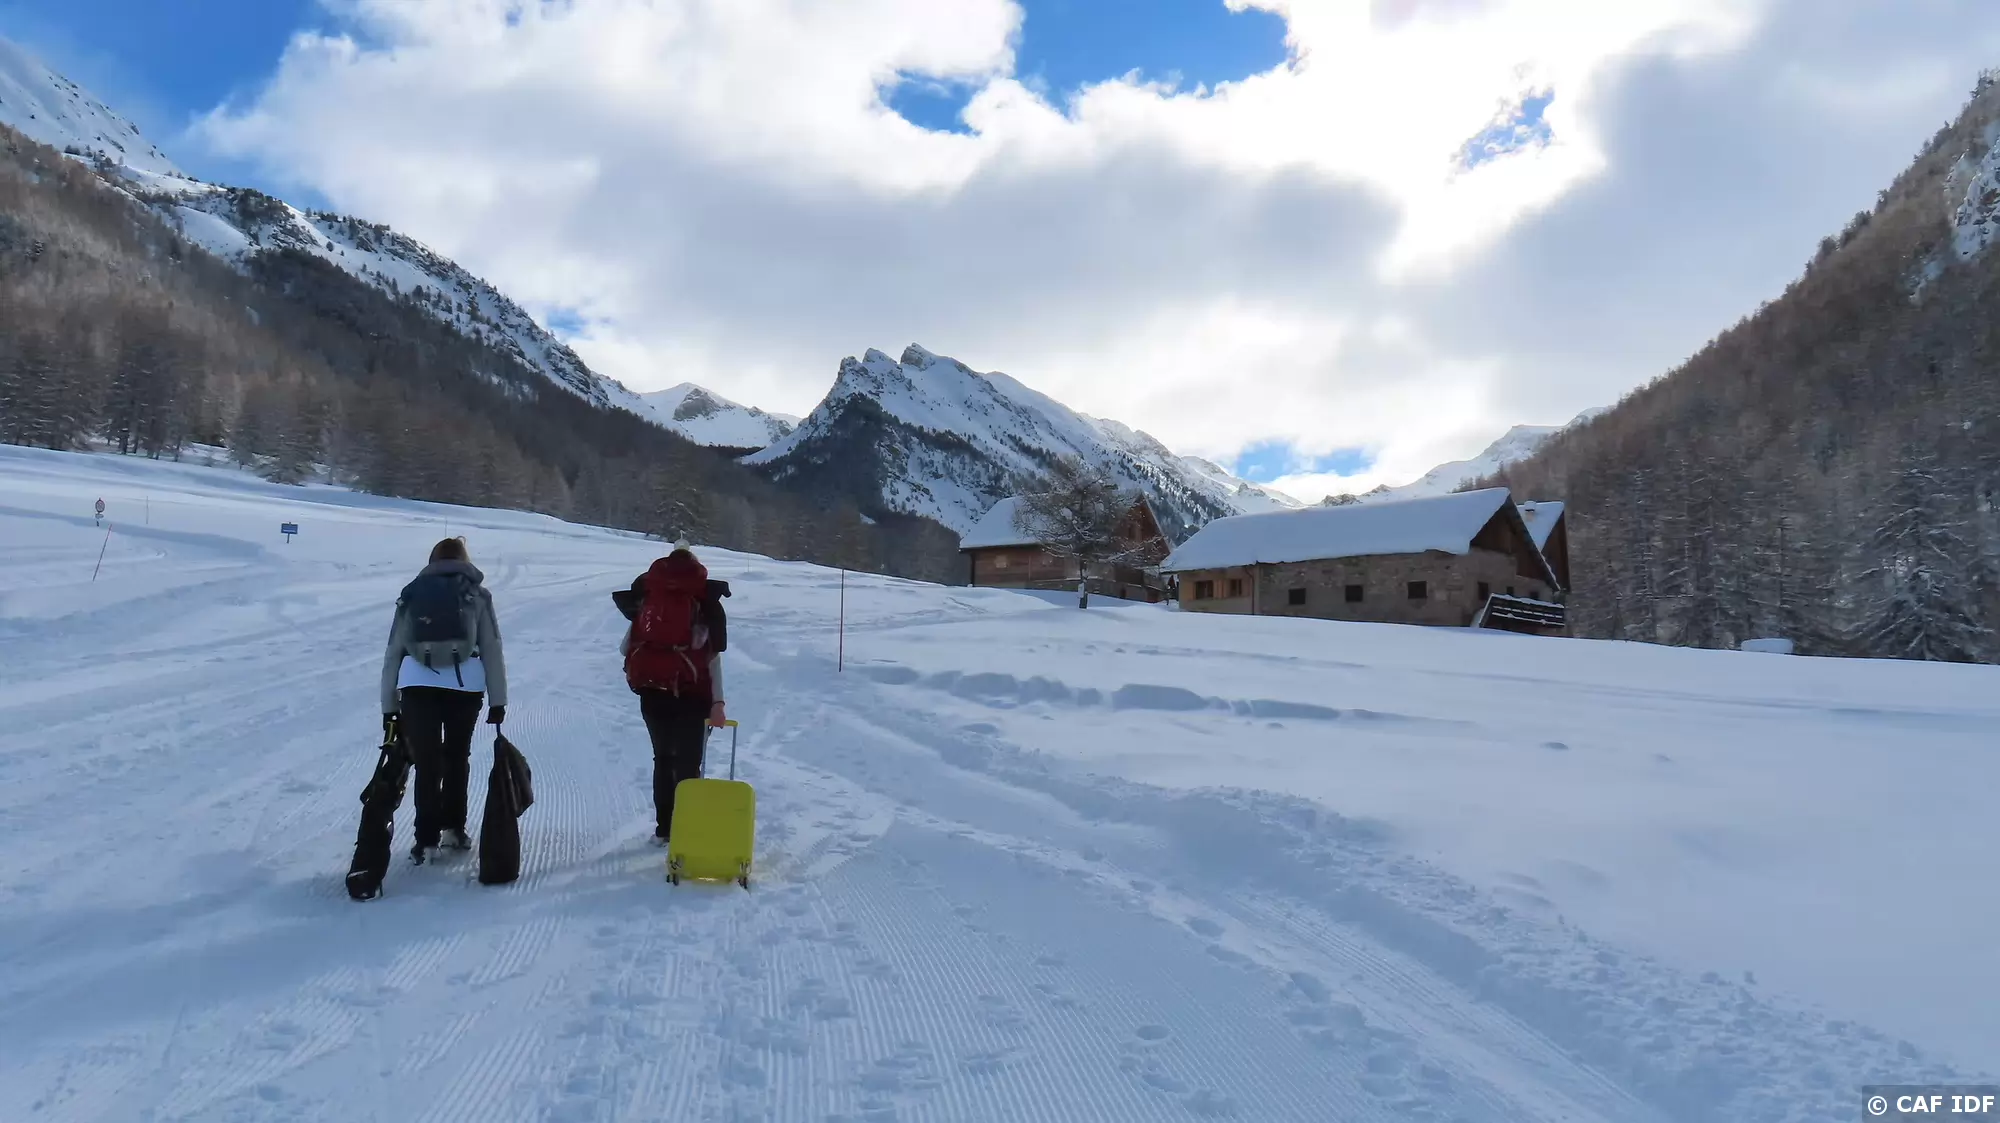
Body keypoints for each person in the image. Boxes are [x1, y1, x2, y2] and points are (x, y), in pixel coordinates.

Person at [380, 536, 508, 865]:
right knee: (456, 756)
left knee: (427, 762)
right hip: (465, 686)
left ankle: (425, 840)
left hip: (417, 684)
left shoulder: (412, 593)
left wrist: (389, 706)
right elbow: (491, 647)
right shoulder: (477, 594)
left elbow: (394, 650)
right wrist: (498, 700)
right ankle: (454, 829)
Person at [620, 542, 728, 843]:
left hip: (652, 692)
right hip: (693, 694)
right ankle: (687, 829)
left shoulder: (651, 598)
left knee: (663, 758)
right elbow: (713, 657)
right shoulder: (702, 601)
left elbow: (624, 648)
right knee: (688, 763)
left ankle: (665, 829)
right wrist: (718, 702)